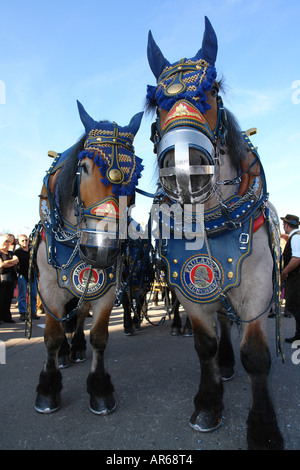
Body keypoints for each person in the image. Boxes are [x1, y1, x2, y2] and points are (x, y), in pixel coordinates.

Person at [280, 214, 300, 343]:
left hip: (296, 277)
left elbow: (297, 258)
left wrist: (285, 271)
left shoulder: (295, 237)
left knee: (294, 306)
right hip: (295, 277)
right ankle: (298, 335)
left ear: (286, 225)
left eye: (283, 225)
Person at [14, 234, 39, 321]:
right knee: (22, 295)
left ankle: (33, 312)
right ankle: (23, 313)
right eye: (23, 240)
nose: (25, 242)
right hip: (22, 275)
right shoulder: (17, 252)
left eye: (26, 240)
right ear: (19, 242)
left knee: (33, 295)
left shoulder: (32, 250)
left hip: (33, 274)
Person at [0, 234, 19, 324]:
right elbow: (1, 265)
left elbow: (17, 260)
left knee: (8, 298)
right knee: (1, 297)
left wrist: (7, 262)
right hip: (2, 278)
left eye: (8, 241)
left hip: (11, 277)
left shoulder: (11, 253)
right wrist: (10, 263)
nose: (7, 243)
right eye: (5, 241)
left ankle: (6, 317)